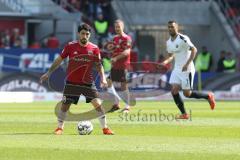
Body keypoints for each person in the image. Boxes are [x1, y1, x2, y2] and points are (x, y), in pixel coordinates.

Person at [40, 23, 114, 135]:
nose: (85, 36)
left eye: (87, 34)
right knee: (65, 106)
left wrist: (103, 78)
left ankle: (105, 129)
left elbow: (99, 65)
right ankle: (60, 128)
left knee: (98, 105)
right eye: (83, 33)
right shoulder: (70, 46)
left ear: (90, 35)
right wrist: (49, 72)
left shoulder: (94, 48)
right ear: (79, 34)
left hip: (87, 83)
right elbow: (59, 60)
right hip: (72, 83)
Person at [159, 20, 216, 119]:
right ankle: (184, 114)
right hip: (177, 69)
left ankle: (208, 96)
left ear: (177, 27)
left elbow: (194, 50)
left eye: (172, 27)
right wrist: (165, 62)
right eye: (169, 27)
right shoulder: (168, 42)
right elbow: (171, 56)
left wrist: (187, 63)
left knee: (187, 94)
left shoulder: (183, 38)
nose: (170, 29)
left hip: (187, 69)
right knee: (174, 91)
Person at [106, 19, 132, 113]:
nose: (117, 28)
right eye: (116, 27)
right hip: (115, 66)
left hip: (123, 66)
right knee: (108, 82)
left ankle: (127, 107)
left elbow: (127, 52)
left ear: (122, 27)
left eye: (119, 27)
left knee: (123, 86)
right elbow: (113, 50)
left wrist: (116, 58)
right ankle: (116, 103)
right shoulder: (114, 38)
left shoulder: (127, 38)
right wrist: (111, 54)